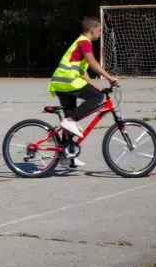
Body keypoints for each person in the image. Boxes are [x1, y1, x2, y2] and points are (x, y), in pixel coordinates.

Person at [48, 17, 118, 166]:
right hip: (68, 81)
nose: (100, 32)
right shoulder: (84, 42)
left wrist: (93, 85)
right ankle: (70, 120)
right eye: (99, 29)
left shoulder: (80, 42)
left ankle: (66, 155)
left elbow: (82, 70)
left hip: (61, 82)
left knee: (71, 117)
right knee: (98, 98)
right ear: (92, 29)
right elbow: (92, 62)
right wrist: (109, 77)